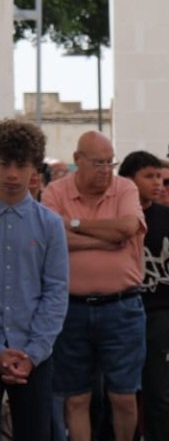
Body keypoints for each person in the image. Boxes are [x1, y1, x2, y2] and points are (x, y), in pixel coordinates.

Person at [41, 131, 146, 441]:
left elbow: (127, 228)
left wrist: (73, 226)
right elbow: (52, 240)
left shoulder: (124, 187)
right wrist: (108, 238)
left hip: (122, 307)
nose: (105, 171)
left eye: (109, 163)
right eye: (98, 163)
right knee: (76, 397)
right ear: (77, 161)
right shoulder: (54, 192)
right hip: (70, 309)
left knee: (124, 397)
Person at [0, 119, 68, 441]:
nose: (12, 174)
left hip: (35, 357)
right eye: (3, 164)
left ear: (34, 169)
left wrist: (33, 353)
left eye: (21, 164)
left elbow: (55, 291)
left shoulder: (50, 225)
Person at [119, 150, 169, 441]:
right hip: (121, 312)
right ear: (127, 181)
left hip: (161, 316)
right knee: (121, 394)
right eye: (149, 177)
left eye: (160, 177)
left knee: (160, 394)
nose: (158, 184)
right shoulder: (115, 217)